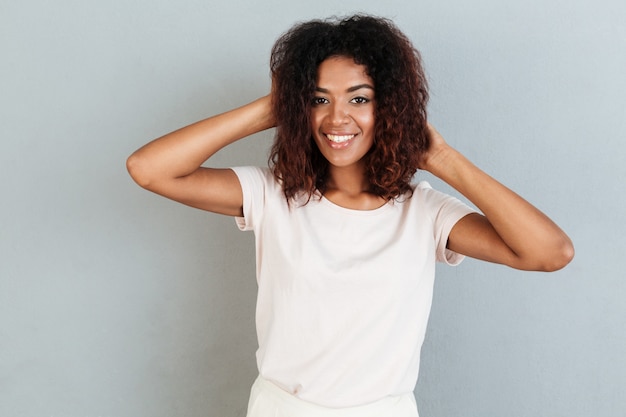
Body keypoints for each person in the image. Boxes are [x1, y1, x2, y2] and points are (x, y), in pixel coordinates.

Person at [127, 14, 574, 417]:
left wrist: (443, 159)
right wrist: (273, 107)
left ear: (389, 108)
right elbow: (148, 169)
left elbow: (550, 252)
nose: (336, 118)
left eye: (358, 100)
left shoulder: (424, 211)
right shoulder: (272, 194)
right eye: (319, 99)